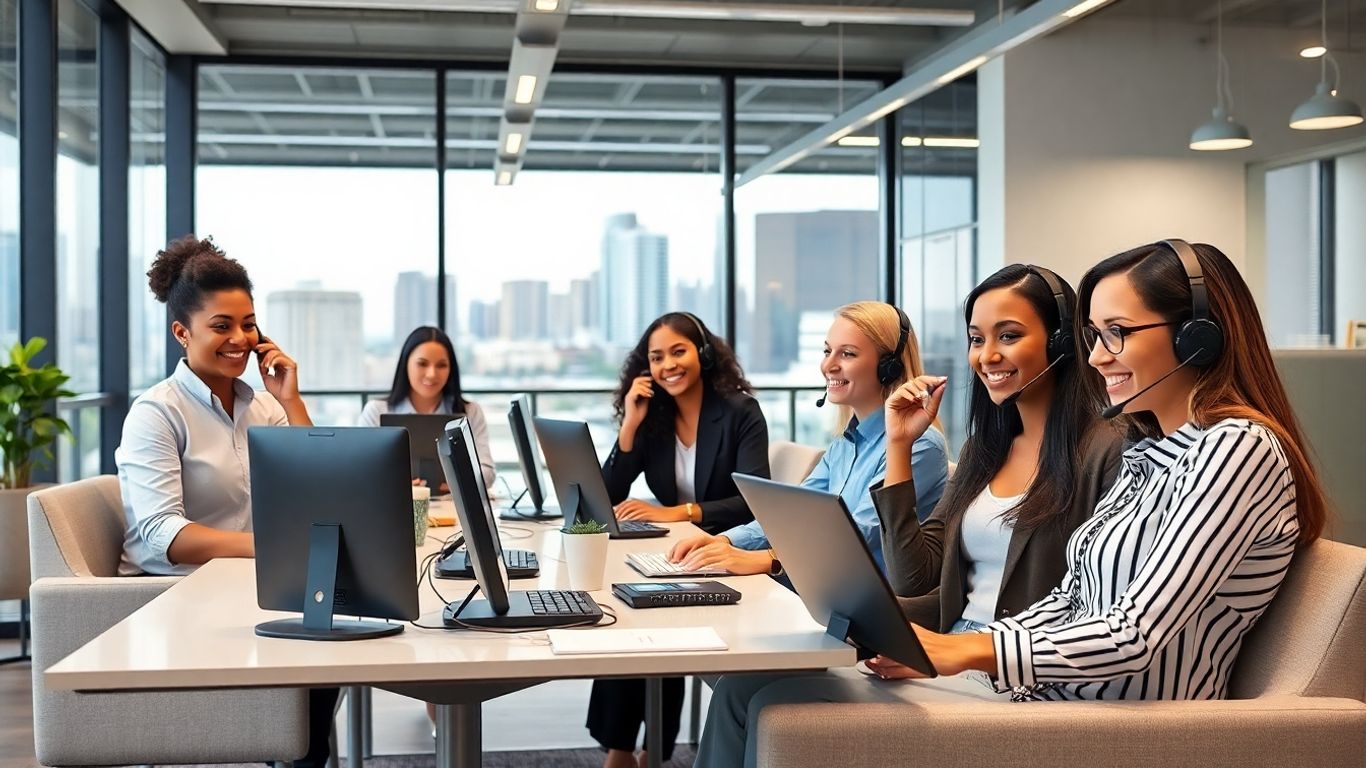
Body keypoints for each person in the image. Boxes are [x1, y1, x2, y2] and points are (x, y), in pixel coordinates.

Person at [694, 241, 1329, 768]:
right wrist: (947, 650)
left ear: (1198, 338)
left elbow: (1136, 634)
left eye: (1118, 333)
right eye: (1094, 334)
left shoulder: (1235, 448)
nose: (1099, 355)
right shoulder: (1156, 453)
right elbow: (1070, 601)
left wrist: (966, 652)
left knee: (773, 703)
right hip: (1032, 689)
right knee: (748, 689)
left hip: (1095, 722)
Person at [115, 235, 334, 768]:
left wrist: (291, 400)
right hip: (172, 601)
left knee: (336, 635)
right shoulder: (156, 414)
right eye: (222, 326)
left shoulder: (263, 407)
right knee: (322, 640)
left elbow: (317, 490)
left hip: (246, 587)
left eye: (248, 324)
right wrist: (273, 549)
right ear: (182, 332)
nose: (240, 338)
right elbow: (166, 535)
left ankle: (303, 751)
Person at [877, 264, 1124, 633]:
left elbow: (1094, 604)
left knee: (784, 692)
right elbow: (912, 577)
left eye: (1008, 336)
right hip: (957, 650)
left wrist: (965, 651)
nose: (987, 356)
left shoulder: (1108, 450)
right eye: (977, 340)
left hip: (1020, 667)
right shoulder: (985, 450)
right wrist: (898, 444)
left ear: (1062, 342)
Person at [589, 311, 769, 768]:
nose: (667, 364)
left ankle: (647, 751)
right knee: (623, 604)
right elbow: (608, 494)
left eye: (678, 351)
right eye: (656, 357)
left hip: (727, 545)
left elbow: (752, 500)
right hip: (674, 545)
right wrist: (629, 424)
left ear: (703, 354)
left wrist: (682, 512)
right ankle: (621, 749)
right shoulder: (655, 416)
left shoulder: (739, 411)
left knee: (658, 617)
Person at [667, 301, 949, 578]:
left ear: (890, 367)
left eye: (847, 354)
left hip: (877, 607)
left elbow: (861, 535)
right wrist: (724, 542)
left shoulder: (920, 446)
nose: (828, 365)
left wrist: (767, 560)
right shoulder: (844, 444)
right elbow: (794, 515)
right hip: (825, 590)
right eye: (828, 351)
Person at [360, 325, 494, 489]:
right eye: (422, 364)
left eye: (441, 365)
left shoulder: (470, 412)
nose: (431, 374)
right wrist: (395, 484)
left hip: (452, 507)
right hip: (396, 508)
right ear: (405, 364)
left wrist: (458, 482)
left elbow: (487, 471)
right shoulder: (376, 411)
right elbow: (363, 471)